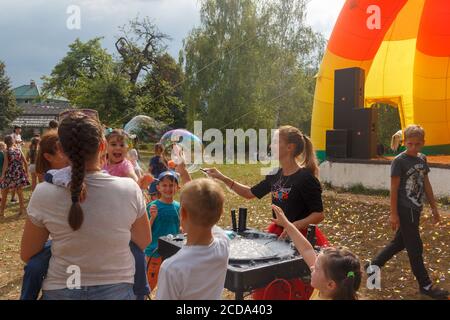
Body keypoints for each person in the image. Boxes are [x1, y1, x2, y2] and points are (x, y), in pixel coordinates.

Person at [20, 112, 151, 300]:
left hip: (61, 288)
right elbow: (143, 241)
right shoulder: (130, 189)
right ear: (103, 146)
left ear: (61, 149)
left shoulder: (43, 192)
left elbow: (28, 253)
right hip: (117, 290)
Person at [205, 125, 327, 299]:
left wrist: (292, 226)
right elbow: (249, 193)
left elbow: (318, 214)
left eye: (276, 141)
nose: (270, 146)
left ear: (289, 147)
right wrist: (222, 177)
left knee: (294, 289)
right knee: (272, 285)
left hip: (301, 239)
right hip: (278, 235)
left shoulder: (306, 178)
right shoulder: (275, 175)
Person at [367, 125, 448, 299]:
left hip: (416, 208)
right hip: (405, 209)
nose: (413, 148)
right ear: (404, 142)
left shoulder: (422, 159)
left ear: (423, 143)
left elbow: (426, 184)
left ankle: (373, 266)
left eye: (417, 144)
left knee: (399, 243)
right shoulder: (399, 161)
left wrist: (434, 208)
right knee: (415, 247)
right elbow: (394, 188)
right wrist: (393, 214)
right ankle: (426, 285)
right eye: (410, 144)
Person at [157, 178, 230, 300]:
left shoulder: (171, 268)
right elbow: (207, 209)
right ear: (221, 213)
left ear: (183, 213)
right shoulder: (224, 243)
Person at [272, 204, 361, 300]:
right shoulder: (323, 288)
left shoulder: (322, 288)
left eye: (317, 268)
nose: (312, 267)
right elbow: (307, 250)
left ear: (330, 285)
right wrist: (286, 223)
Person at [145, 171, 181, 291]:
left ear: (177, 187)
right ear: (158, 187)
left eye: (171, 185)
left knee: (170, 287)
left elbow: (180, 229)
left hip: (173, 254)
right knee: (149, 286)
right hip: (154, 254)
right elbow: (145, 231)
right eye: (164, 185)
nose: (168, 188)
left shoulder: (179, 207)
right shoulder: (152, 206)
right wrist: (153, 218)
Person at [0, 135, 29, 217]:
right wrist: (26, 173)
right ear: (13, 141)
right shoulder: (19, 149)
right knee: (20, 192)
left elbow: (6, 164)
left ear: (5, 142)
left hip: (9, 174)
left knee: (5, 192)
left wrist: (2, 175)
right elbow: (26, 163)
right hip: (19, 173)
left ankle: (2, 212)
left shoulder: (6, 151)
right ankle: (21, 210)